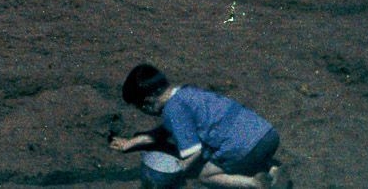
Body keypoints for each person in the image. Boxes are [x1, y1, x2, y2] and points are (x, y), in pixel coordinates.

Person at [110, 64, 288, 189]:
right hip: (267, 134)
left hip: (243, 147)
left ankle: (255, 184)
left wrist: (175, 172)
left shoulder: (173, 110)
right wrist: (131, 143)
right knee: (239, 145)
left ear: (147, 103)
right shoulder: (187, 93)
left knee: (206, 175)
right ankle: (272, 168)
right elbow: (164, 131)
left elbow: (194, 151)